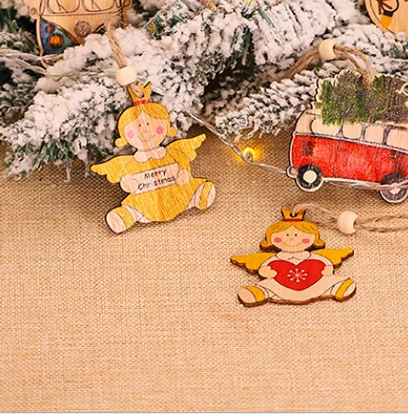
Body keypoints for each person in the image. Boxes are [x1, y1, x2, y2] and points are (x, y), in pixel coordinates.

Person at [91, 83, 215, 233]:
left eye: (151, 124)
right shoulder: (131, 163)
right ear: (124, 136)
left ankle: (198, 196)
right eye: (137, 128)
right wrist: (128, 183)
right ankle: (127, 216)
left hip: (177, 193)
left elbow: (182, 161)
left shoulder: (173, 152)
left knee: (189, 190)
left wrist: (184, 171)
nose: (145, 131)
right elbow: (125, 178)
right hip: (147, 203)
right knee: (135, 206)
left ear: (166, 127)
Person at [231, 209, 355, 306]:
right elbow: (264, 267)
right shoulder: (274, 259)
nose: (291, 239)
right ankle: (258, 293)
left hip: (315, 283)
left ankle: (338, 288)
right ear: (270, 240)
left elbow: (326, 262)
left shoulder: (315, 256)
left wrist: (328, 269)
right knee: (269, 285)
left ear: (313, 239)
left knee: (328, 282)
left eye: (297, 235)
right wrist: (265, 271)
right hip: (281, 286)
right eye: (284, 236)